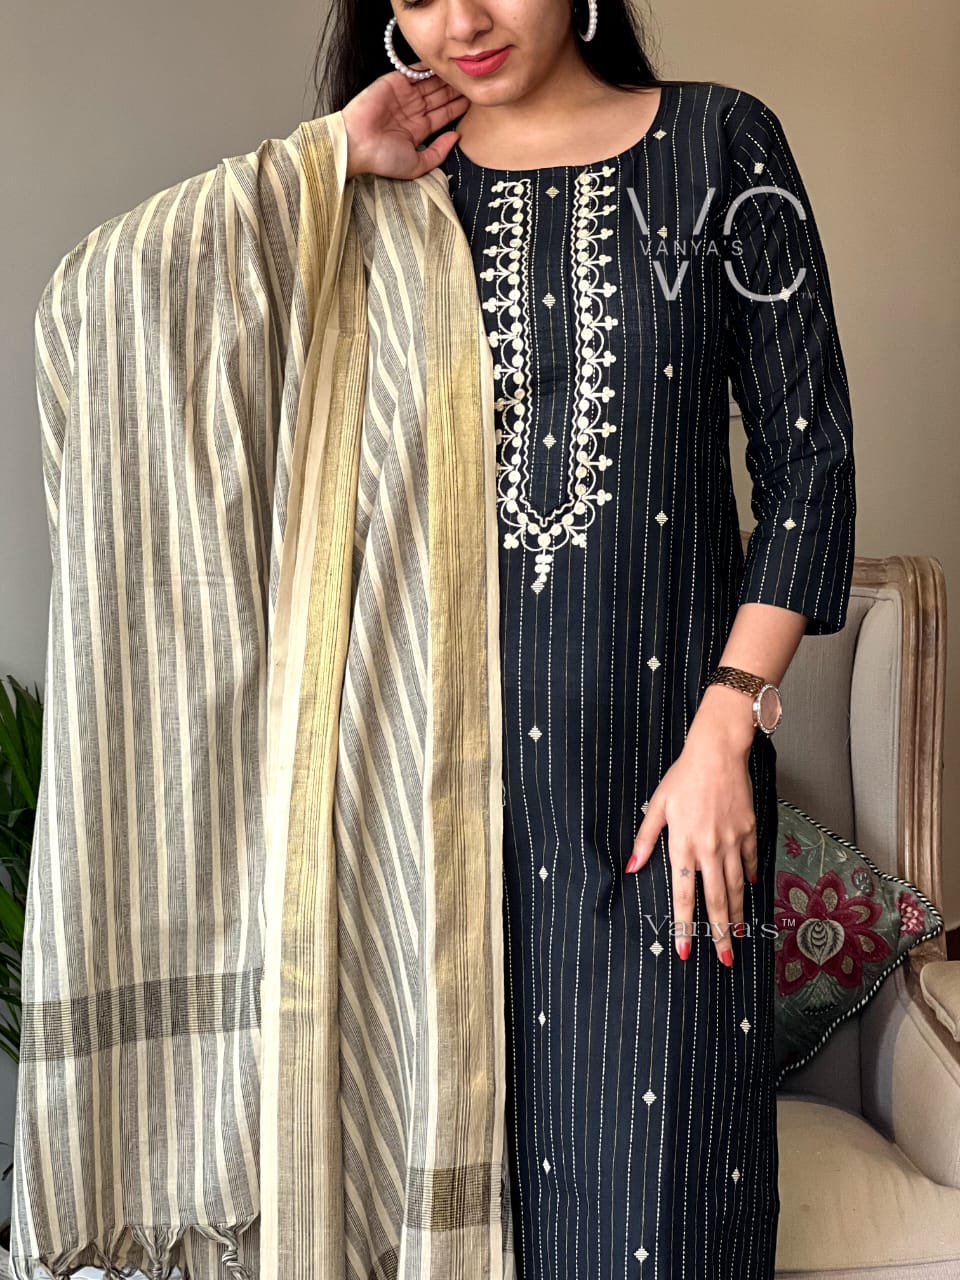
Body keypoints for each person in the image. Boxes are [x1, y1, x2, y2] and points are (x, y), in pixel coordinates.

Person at [322, 0, 856, 1277]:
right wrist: (330, 159)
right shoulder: (384, 187)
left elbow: (812, 468)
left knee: (665, 1220)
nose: (461, 21)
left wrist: (726, 733)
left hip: (669, 797)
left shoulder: (721, 145)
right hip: (435, 816)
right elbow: (166, 337)